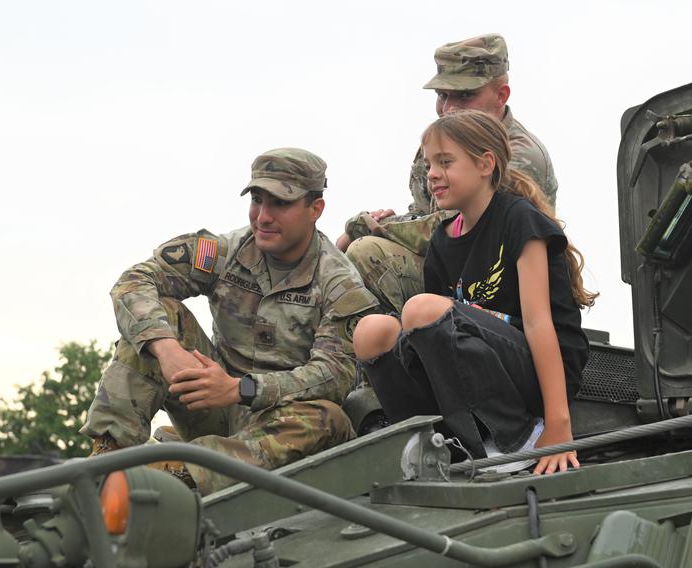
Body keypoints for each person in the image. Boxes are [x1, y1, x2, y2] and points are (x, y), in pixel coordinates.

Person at [80, 148, 378, 495]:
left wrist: (241, 389)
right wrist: (167, 350)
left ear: (316, 209)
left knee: (329, 417)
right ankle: (110, 458)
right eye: (256, 199)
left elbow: (334, 377)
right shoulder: (224, 252)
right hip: (212, 408)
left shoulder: (339, 284)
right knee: (155, 320)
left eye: (280, 203)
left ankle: (183, 474)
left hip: (279, 428)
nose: (263, 216)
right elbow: (133, 282)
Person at [352, 110, 596, 474]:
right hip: (479, 370)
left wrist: (559, 424)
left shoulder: (519, 219)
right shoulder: (442, 241)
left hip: (536, 376)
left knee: (422, 310)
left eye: (446, 162)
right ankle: (437, 444)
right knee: (371, 333)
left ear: (485, 164)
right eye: (430, 163)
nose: (433, 173)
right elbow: (432, 351)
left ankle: (512, 440)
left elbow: (538, 323)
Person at [337, 33, 558, 314]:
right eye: (443, 95)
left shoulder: (520, 155)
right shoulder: (440, 145)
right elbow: (423, 215)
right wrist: (390, 222)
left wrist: (364, 226)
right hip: (448, 272)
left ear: (501, 95)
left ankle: (407, 348)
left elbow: (454, 226)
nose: (449, 108)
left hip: (507, 289)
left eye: (465, 95)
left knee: (367, 252)